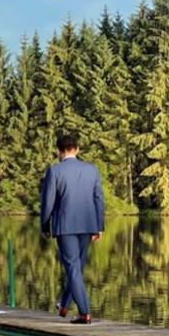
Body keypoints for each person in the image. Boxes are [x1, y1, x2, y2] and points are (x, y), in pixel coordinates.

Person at [39, 134, 105, 324]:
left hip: (65, 226)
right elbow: (98, 199)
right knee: (77, 268)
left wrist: (45, 225)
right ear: (77, 149)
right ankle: (65, 304)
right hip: (87, 224)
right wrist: (99, 226)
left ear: (59, 151)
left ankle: (85, 313)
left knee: (73, 268)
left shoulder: (54, 171)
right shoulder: (91, 170)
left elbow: (48, 202)